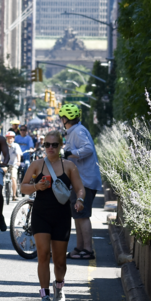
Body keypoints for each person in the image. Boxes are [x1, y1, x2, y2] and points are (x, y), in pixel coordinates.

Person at [19, 130, 86, 301]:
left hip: (61, 216)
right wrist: (36, 186)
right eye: (47, 145)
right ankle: (44, 296)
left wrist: (79, 200)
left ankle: (59, 287)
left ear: (60, 146)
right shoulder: (36, 165)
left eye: (54, 145)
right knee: (43, 255)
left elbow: (80, 188)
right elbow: (22, 188)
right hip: (41, 215)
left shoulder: (69, 166)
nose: (50, 148)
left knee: (59, 260)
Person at [60, 104, 102, 260]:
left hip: (85, 180)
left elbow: (88, 149)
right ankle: (79, 248)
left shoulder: (78, 131)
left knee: (82, 215)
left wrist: (71, 153)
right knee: (77, 214)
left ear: (64, 119)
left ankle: (88, 250)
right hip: (79, 180)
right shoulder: (73, 132)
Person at [4, 131, 22, 200]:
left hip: (13, 164)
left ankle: (14, 195)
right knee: (1, 174)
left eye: (11, 138)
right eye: (8, 138)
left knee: (13, 178)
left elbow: (18, 154)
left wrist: (18, 161)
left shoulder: (16, 146)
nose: (9, 140)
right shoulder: (3, 145)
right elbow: (0, 155)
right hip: (5, 164)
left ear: (13, 139)